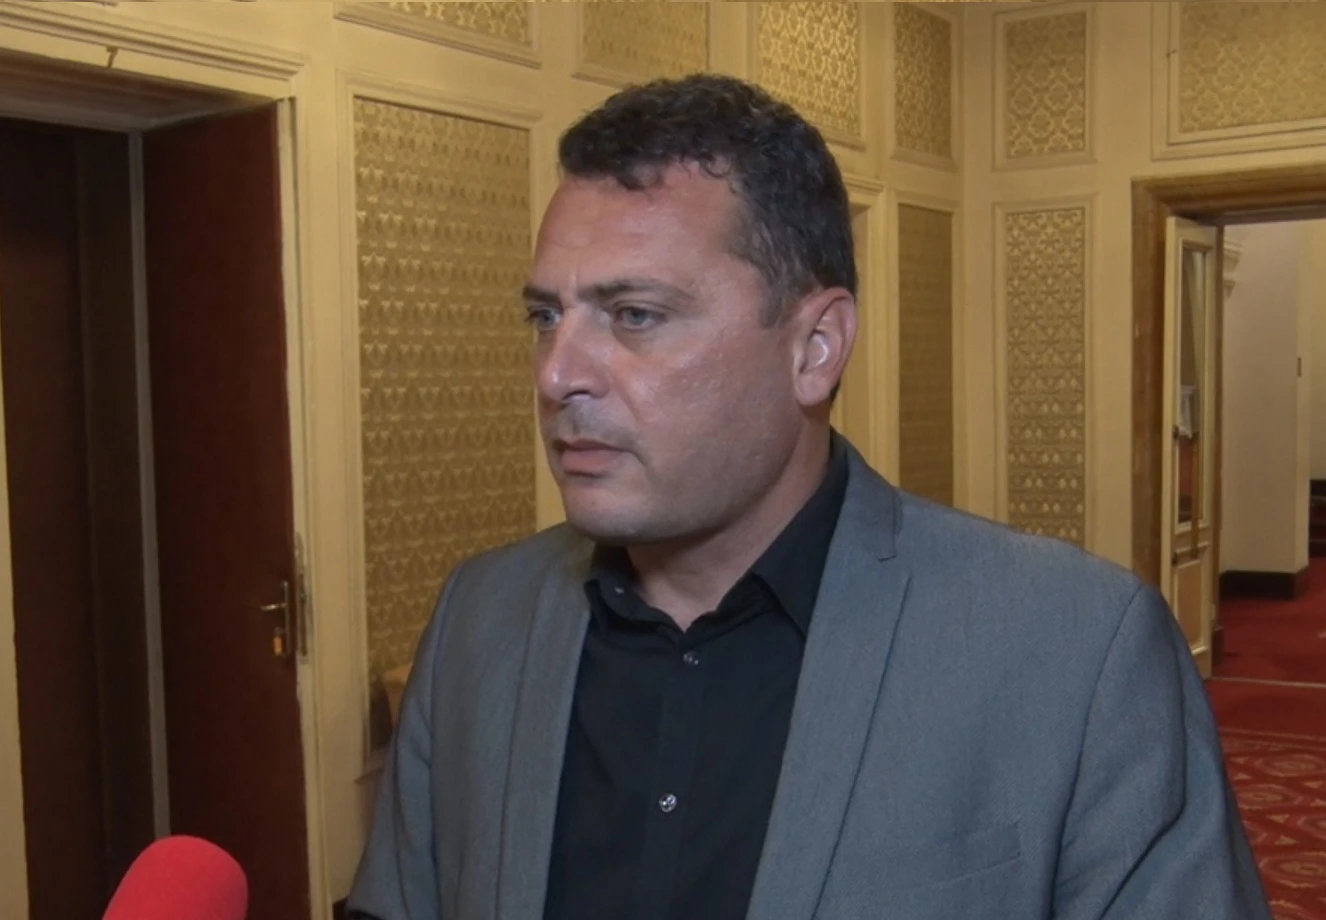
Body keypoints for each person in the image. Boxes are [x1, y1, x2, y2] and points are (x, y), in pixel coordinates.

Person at [346, 74, 1270, 919]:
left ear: (815, 348)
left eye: (635, 316)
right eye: (545, 316)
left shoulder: (1077, 651)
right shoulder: (479, 619)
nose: (558, 373)